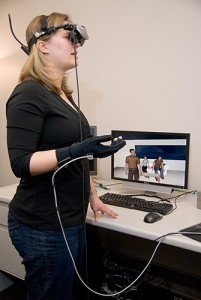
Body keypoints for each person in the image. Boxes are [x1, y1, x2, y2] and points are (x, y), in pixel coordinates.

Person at [6, 12, 126, 300]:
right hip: (42, 225)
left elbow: (76, 159)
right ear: (42, 45)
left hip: (71, 218)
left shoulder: (63, 95)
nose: (77, 44)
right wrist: (80, 149)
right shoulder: (28, 94)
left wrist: (92, 195)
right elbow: (21, 163)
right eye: (68, 37)